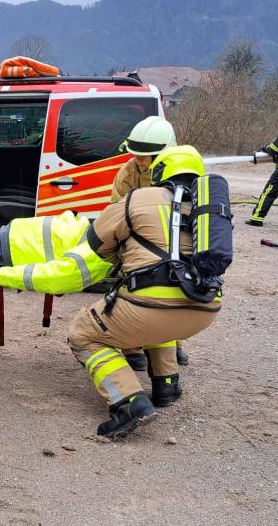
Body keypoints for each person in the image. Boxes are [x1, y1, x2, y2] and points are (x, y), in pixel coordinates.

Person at [65, 146, 222, 438]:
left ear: (159, 172)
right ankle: (167, 385)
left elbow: (96, 240)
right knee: (161, 312)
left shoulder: (140, 196)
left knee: (83, 333)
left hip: (149, 308)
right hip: (204, 308)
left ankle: (128, 402)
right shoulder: (208, 209)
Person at [111, 116, 189, 369]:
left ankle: (173, 345)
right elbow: (116, 209)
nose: (140, 161)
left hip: (173, 241)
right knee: (131, 291)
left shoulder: (184, 174)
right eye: (136, 155)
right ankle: (133, 349)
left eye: (147, 156)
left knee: (172, 293)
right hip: (137, 242)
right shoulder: (129, 171)